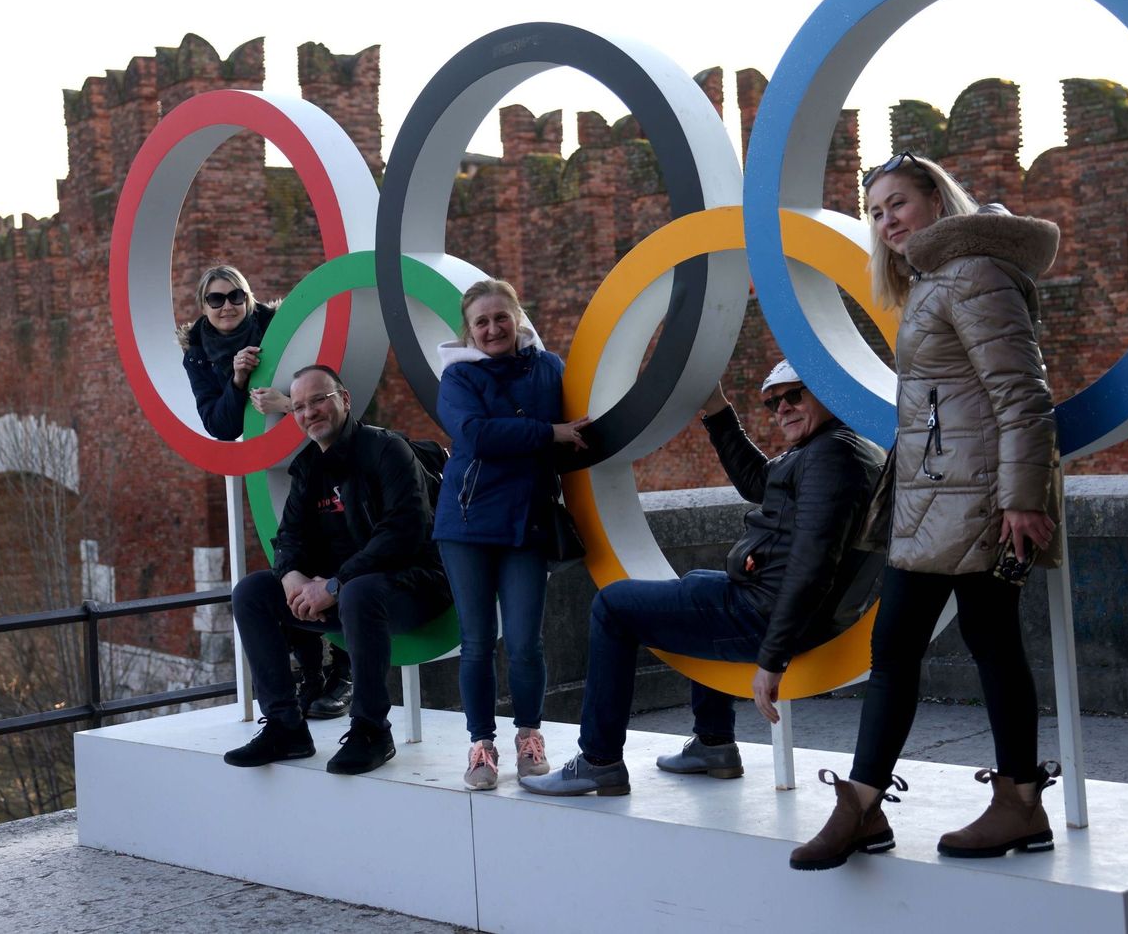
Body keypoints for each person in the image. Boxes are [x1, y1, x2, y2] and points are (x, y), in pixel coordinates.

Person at [791, 152, 1063, 872]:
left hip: (975, 500)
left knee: (918, 647)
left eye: (898, 205)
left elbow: (1021, 392)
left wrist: (1022, 497)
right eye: (876, 213)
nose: (885, 223)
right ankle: (1002, 802)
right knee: (970, 642)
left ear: (938, 203)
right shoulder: (940, 281)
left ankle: (870, 806)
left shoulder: (971, 274)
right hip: (941, 495)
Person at [522, 360, 884, 797]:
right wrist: (717, 409)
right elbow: (759, 481)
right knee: (697, 584)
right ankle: (713, 743)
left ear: (826, 393)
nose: (782, 408)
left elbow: (813, 566)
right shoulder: (833, 447)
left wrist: (772, 659)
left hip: (769, 617)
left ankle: (599, 760)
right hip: (776, 605)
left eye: (795, 395)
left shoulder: (831, 457)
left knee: (613, 606)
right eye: (773, 402)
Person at [223, 364, 452, 774]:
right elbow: (288, 536)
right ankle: (285, 725)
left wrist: (334, 583)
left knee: (360, 591)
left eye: (318, 400)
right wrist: (292, 576)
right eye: (298, 407)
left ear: (344, 400)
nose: (309, 412)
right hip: (340, 592)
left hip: (413, 587)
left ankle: (371, 731)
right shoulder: (308, 466)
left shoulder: (387, 450)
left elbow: (405, 532)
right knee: (252, 593)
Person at [432, 279, 590, 789]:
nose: (493, 328)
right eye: (482, 322)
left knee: (525, 642)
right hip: (468, 523)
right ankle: (481, 746)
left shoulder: (549, 368)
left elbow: (579, 421)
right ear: (469, 330)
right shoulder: (457, 378)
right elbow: (475, 434)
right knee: (476, 642)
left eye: (501, 317)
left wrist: (560, 434)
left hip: (527, 521)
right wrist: (547, 434)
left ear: (519, 318)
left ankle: (529, 737)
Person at [178, 264, 351, 719]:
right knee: (288, 565)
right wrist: (237, 382)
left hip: (318, 454)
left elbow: (326, 382)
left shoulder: (281, 328)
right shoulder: (198, 353)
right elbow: (220, 424)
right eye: (216, 300)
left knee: (338, 550)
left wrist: (285, 404)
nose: (227, 306)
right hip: (273, 471)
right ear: (203, 307)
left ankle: (344, 673)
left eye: (236, 296)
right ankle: (311, 677)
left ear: (250, 298)